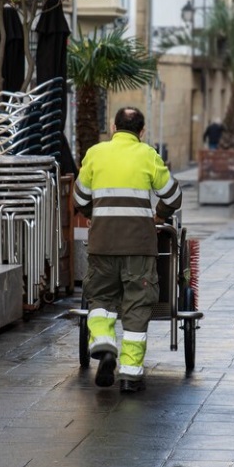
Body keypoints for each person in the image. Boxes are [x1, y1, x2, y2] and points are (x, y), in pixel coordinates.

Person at [73, 107, 182, 393]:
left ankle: (104, 344)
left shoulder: (95, 153)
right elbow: (173, 195)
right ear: (142, 131)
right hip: (139, 247)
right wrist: (158, 216)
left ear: (113, 126)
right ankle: (130, 374)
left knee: (100, 298)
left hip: (102, 245)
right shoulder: (148, 154)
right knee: (136, 306)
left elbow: (79, 196)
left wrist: (93, 213)